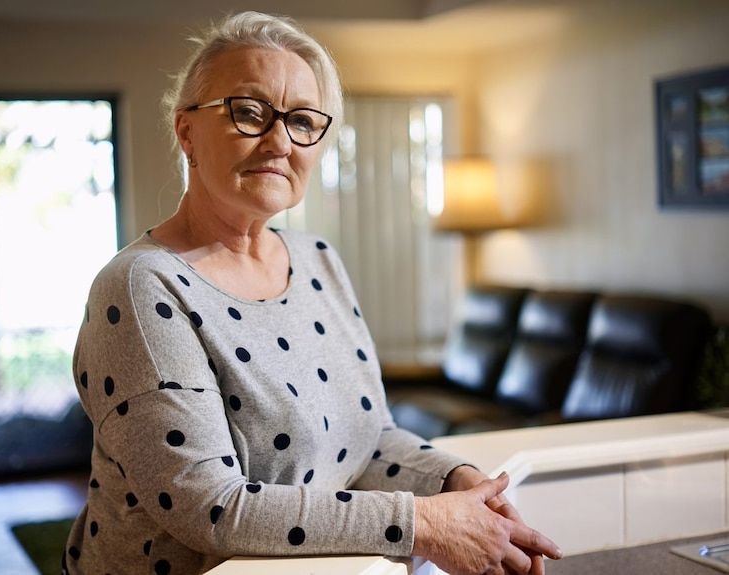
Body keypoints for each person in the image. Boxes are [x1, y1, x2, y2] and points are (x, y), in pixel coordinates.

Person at [63, 10, 562, 575]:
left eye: (302, 120)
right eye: (248, 113)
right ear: (186, 132)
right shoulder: (140, 285)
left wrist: (456, 481)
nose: (279, 141)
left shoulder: (318, 260)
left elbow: (373, 440)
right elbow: (211, 506)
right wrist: (426, 524)